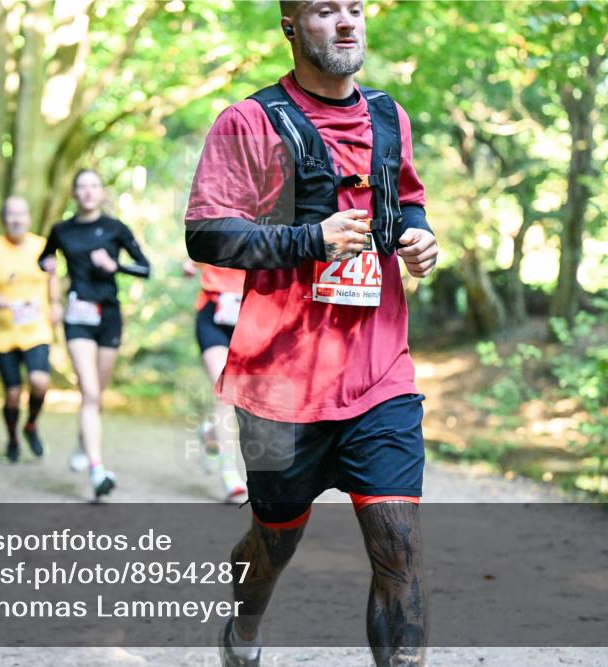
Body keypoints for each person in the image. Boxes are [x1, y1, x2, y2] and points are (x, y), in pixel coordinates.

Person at [184, 1, 439, 665]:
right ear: (291, 25)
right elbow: (207, 230)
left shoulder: (389, 115)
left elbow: (405, 196)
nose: (349, 22)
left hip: (380, 371)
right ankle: (244, 626)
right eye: (327, 10)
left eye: (356, 8)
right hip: (279, 383)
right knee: (275, 537)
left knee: (398, 542)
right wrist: (309, 238)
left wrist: (418, 233)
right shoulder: (249, 121)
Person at [39, 169, 150, 499]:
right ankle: (97, 469)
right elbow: (43, 258)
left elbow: (145, 268)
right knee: (88, 392)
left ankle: (83, 442)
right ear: (74, 194)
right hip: (78, 316)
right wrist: (50, 278)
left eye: (93, 187)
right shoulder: (62, 230)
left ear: (102, 193)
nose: (87, 193)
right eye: (81, 187)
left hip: (109, 317)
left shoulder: (115, 229)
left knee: (96, 395)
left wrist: (116, 267)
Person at [0, 196, 61, 463]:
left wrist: (55, 304)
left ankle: (31, 424)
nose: (17, 219)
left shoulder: (42, 246)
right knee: (11, 394)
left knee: (39, 382)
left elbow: (52, 276)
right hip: (5, 333)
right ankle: (12, 438)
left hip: (36, 329)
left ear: (29, 218)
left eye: (21, 214)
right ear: (3, 219)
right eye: (11, 214)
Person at [183, 260, 248, 502]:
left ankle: (210, 432)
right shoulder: (217, 226)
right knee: (225, 389)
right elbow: (193, 256)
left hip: (250, 316)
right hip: (213, 314)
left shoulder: (269, 228)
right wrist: (189, 266)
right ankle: (229, 473)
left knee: (245, 398)